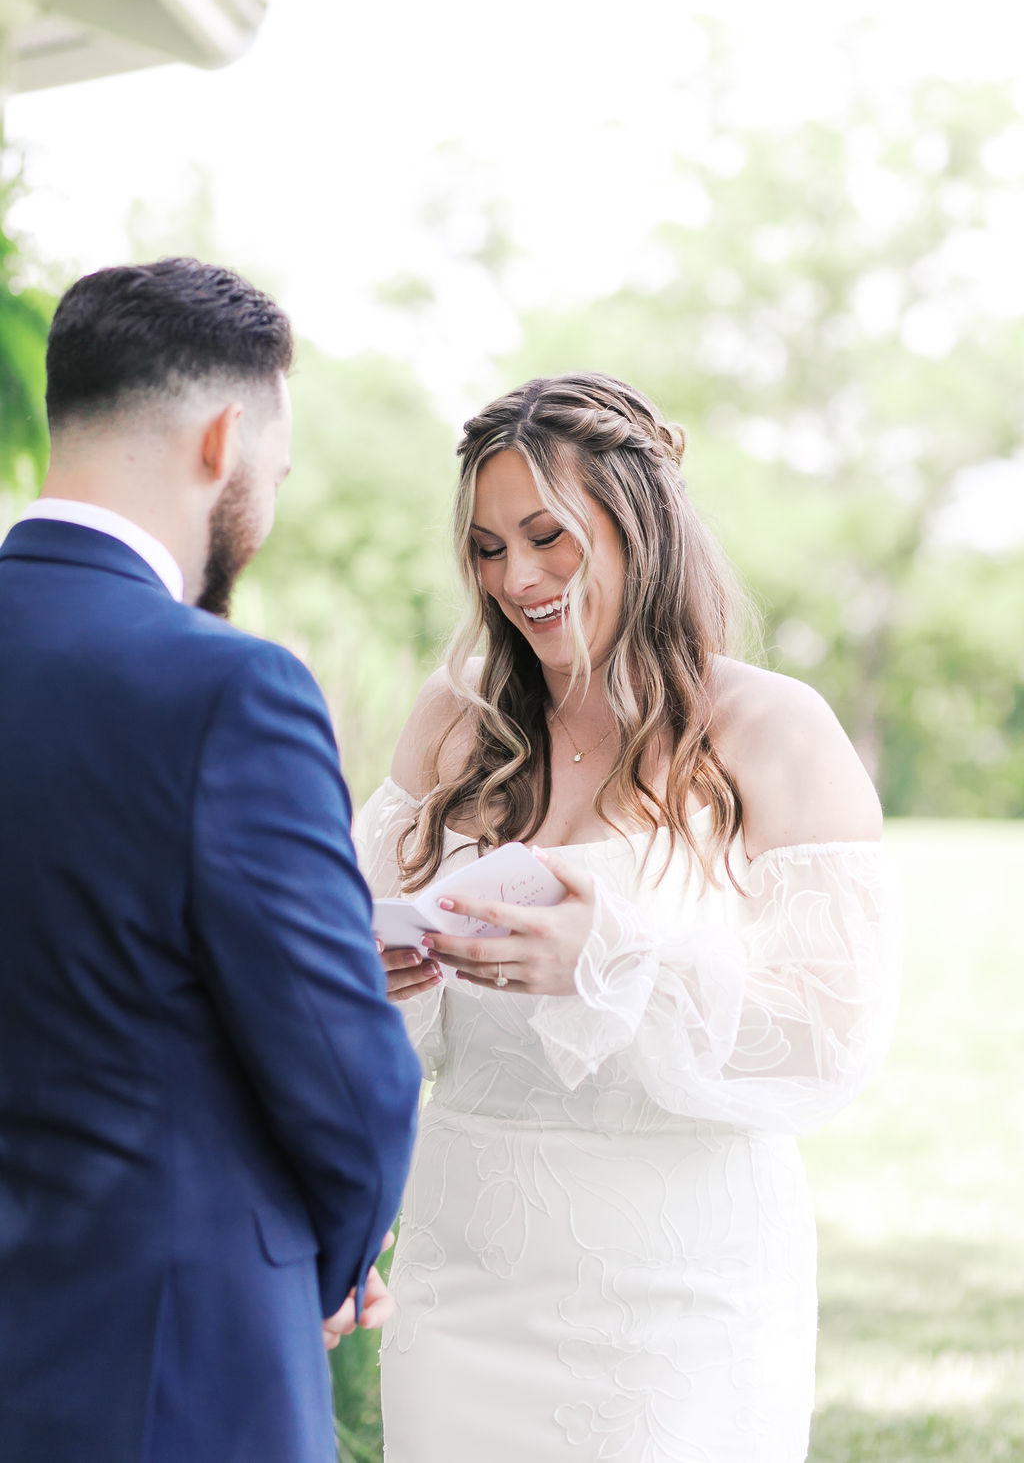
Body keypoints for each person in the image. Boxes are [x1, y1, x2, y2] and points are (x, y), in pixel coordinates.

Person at [355, 372, 901, 1463]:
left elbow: (832, 1042)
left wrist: (615, 958)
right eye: (486, 547)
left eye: (547, 535)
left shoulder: (774, 732)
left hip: (680, 1291)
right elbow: (341, 950)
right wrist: (371, 970)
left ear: (638, 522)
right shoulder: (455, 722)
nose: (517, 577)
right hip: (465, 1275)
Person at [0, 258, 422, 1463]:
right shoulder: (230, 688)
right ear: (224, 439)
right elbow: (352, 1080)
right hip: (174, 1362)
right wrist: (324, 1274)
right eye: (275, 475)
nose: (269, 504)